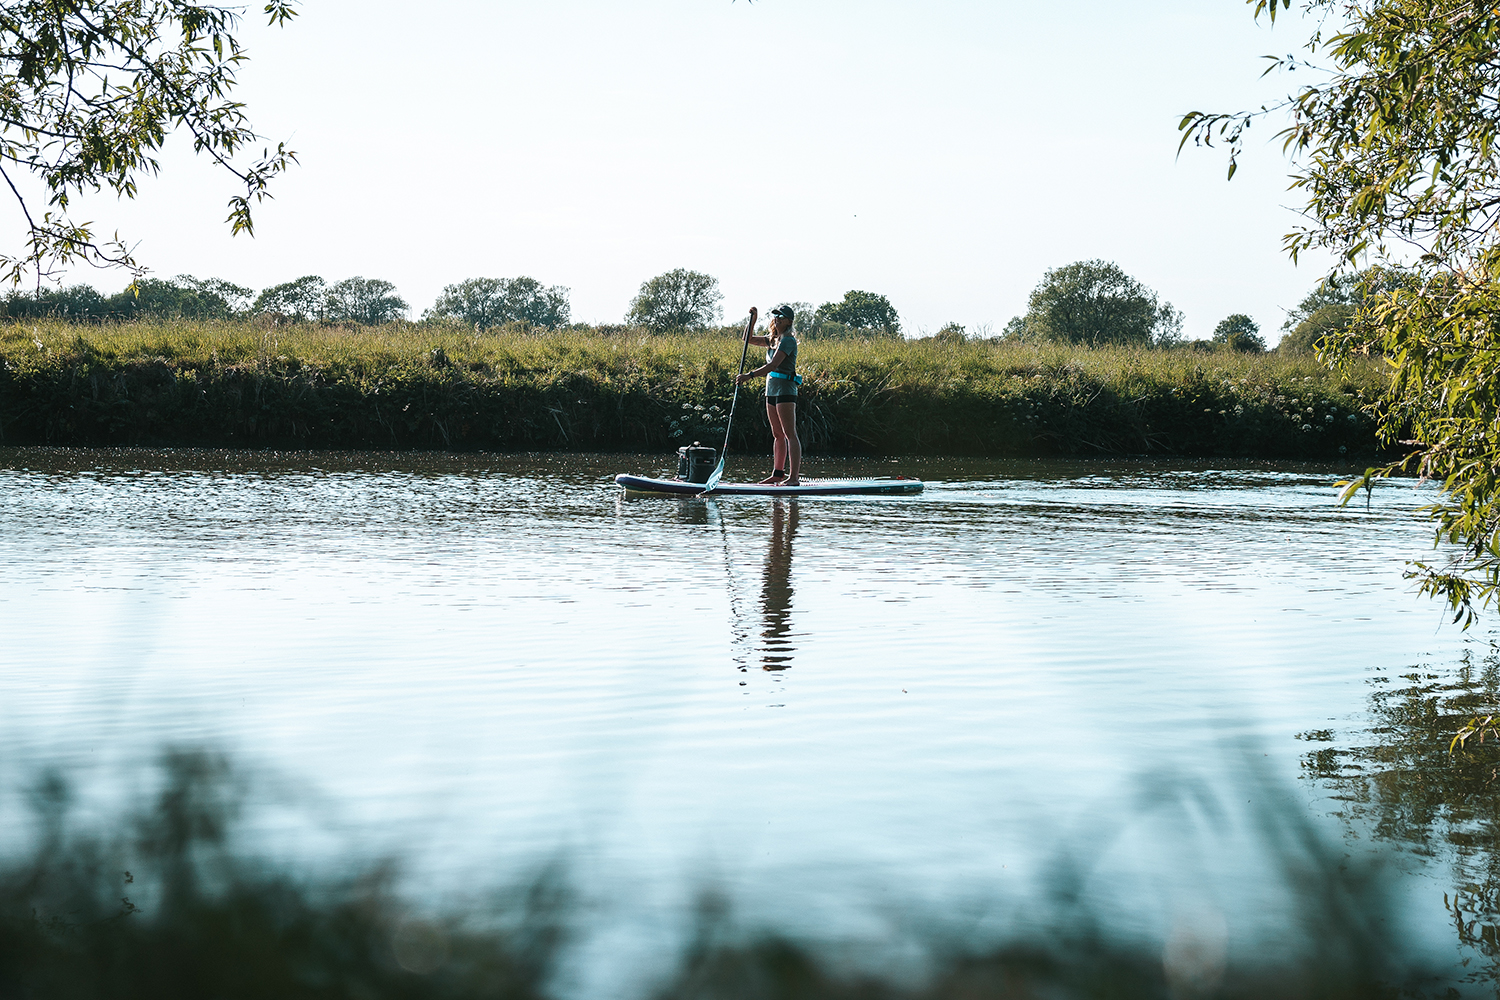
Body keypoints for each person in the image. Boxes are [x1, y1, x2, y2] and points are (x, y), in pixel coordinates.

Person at [735, 304, 802, 486]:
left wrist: (749, 376)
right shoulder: (772, 339)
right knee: (777, 434)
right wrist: (753, 319)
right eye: (775, 315)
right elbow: (747, 339)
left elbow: (773, 365)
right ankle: (778, 474)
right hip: (771, 389)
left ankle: (793, 478)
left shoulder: (788, 340)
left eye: (781, 316)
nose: (777, 318)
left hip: (786, 390)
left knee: (790, 433)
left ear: (789, 321)